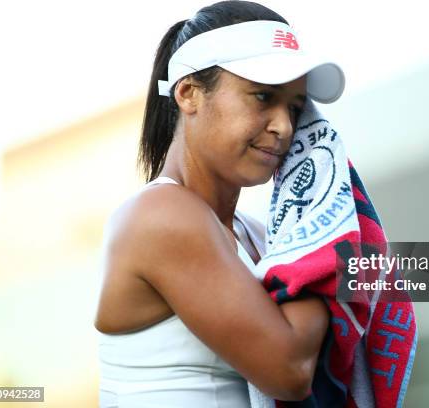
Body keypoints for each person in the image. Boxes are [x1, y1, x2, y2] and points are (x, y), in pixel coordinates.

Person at [94, 1, 346, 406]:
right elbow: (291, 369)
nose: (284, 125)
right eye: (263, 96)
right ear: (189, 94)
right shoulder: (161, 215)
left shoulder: (260, 235)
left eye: (296, 108)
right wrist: (325, 244)